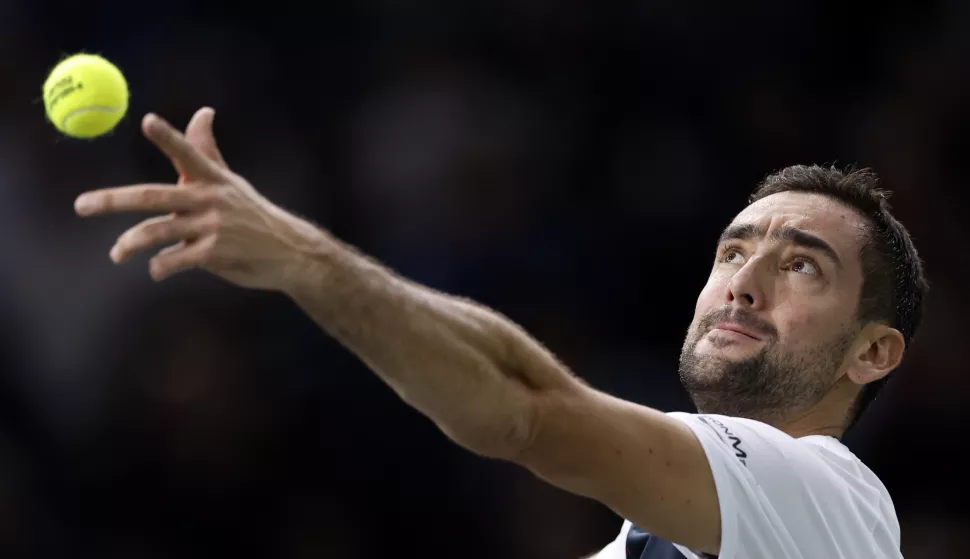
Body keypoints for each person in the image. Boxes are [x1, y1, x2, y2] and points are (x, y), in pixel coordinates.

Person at [74, 107, 927, 559]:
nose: (742, 281)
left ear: (873, 349)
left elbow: (525, 409)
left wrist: (300, 256)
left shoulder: (828, 500)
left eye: (802, 264)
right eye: (732, 250)